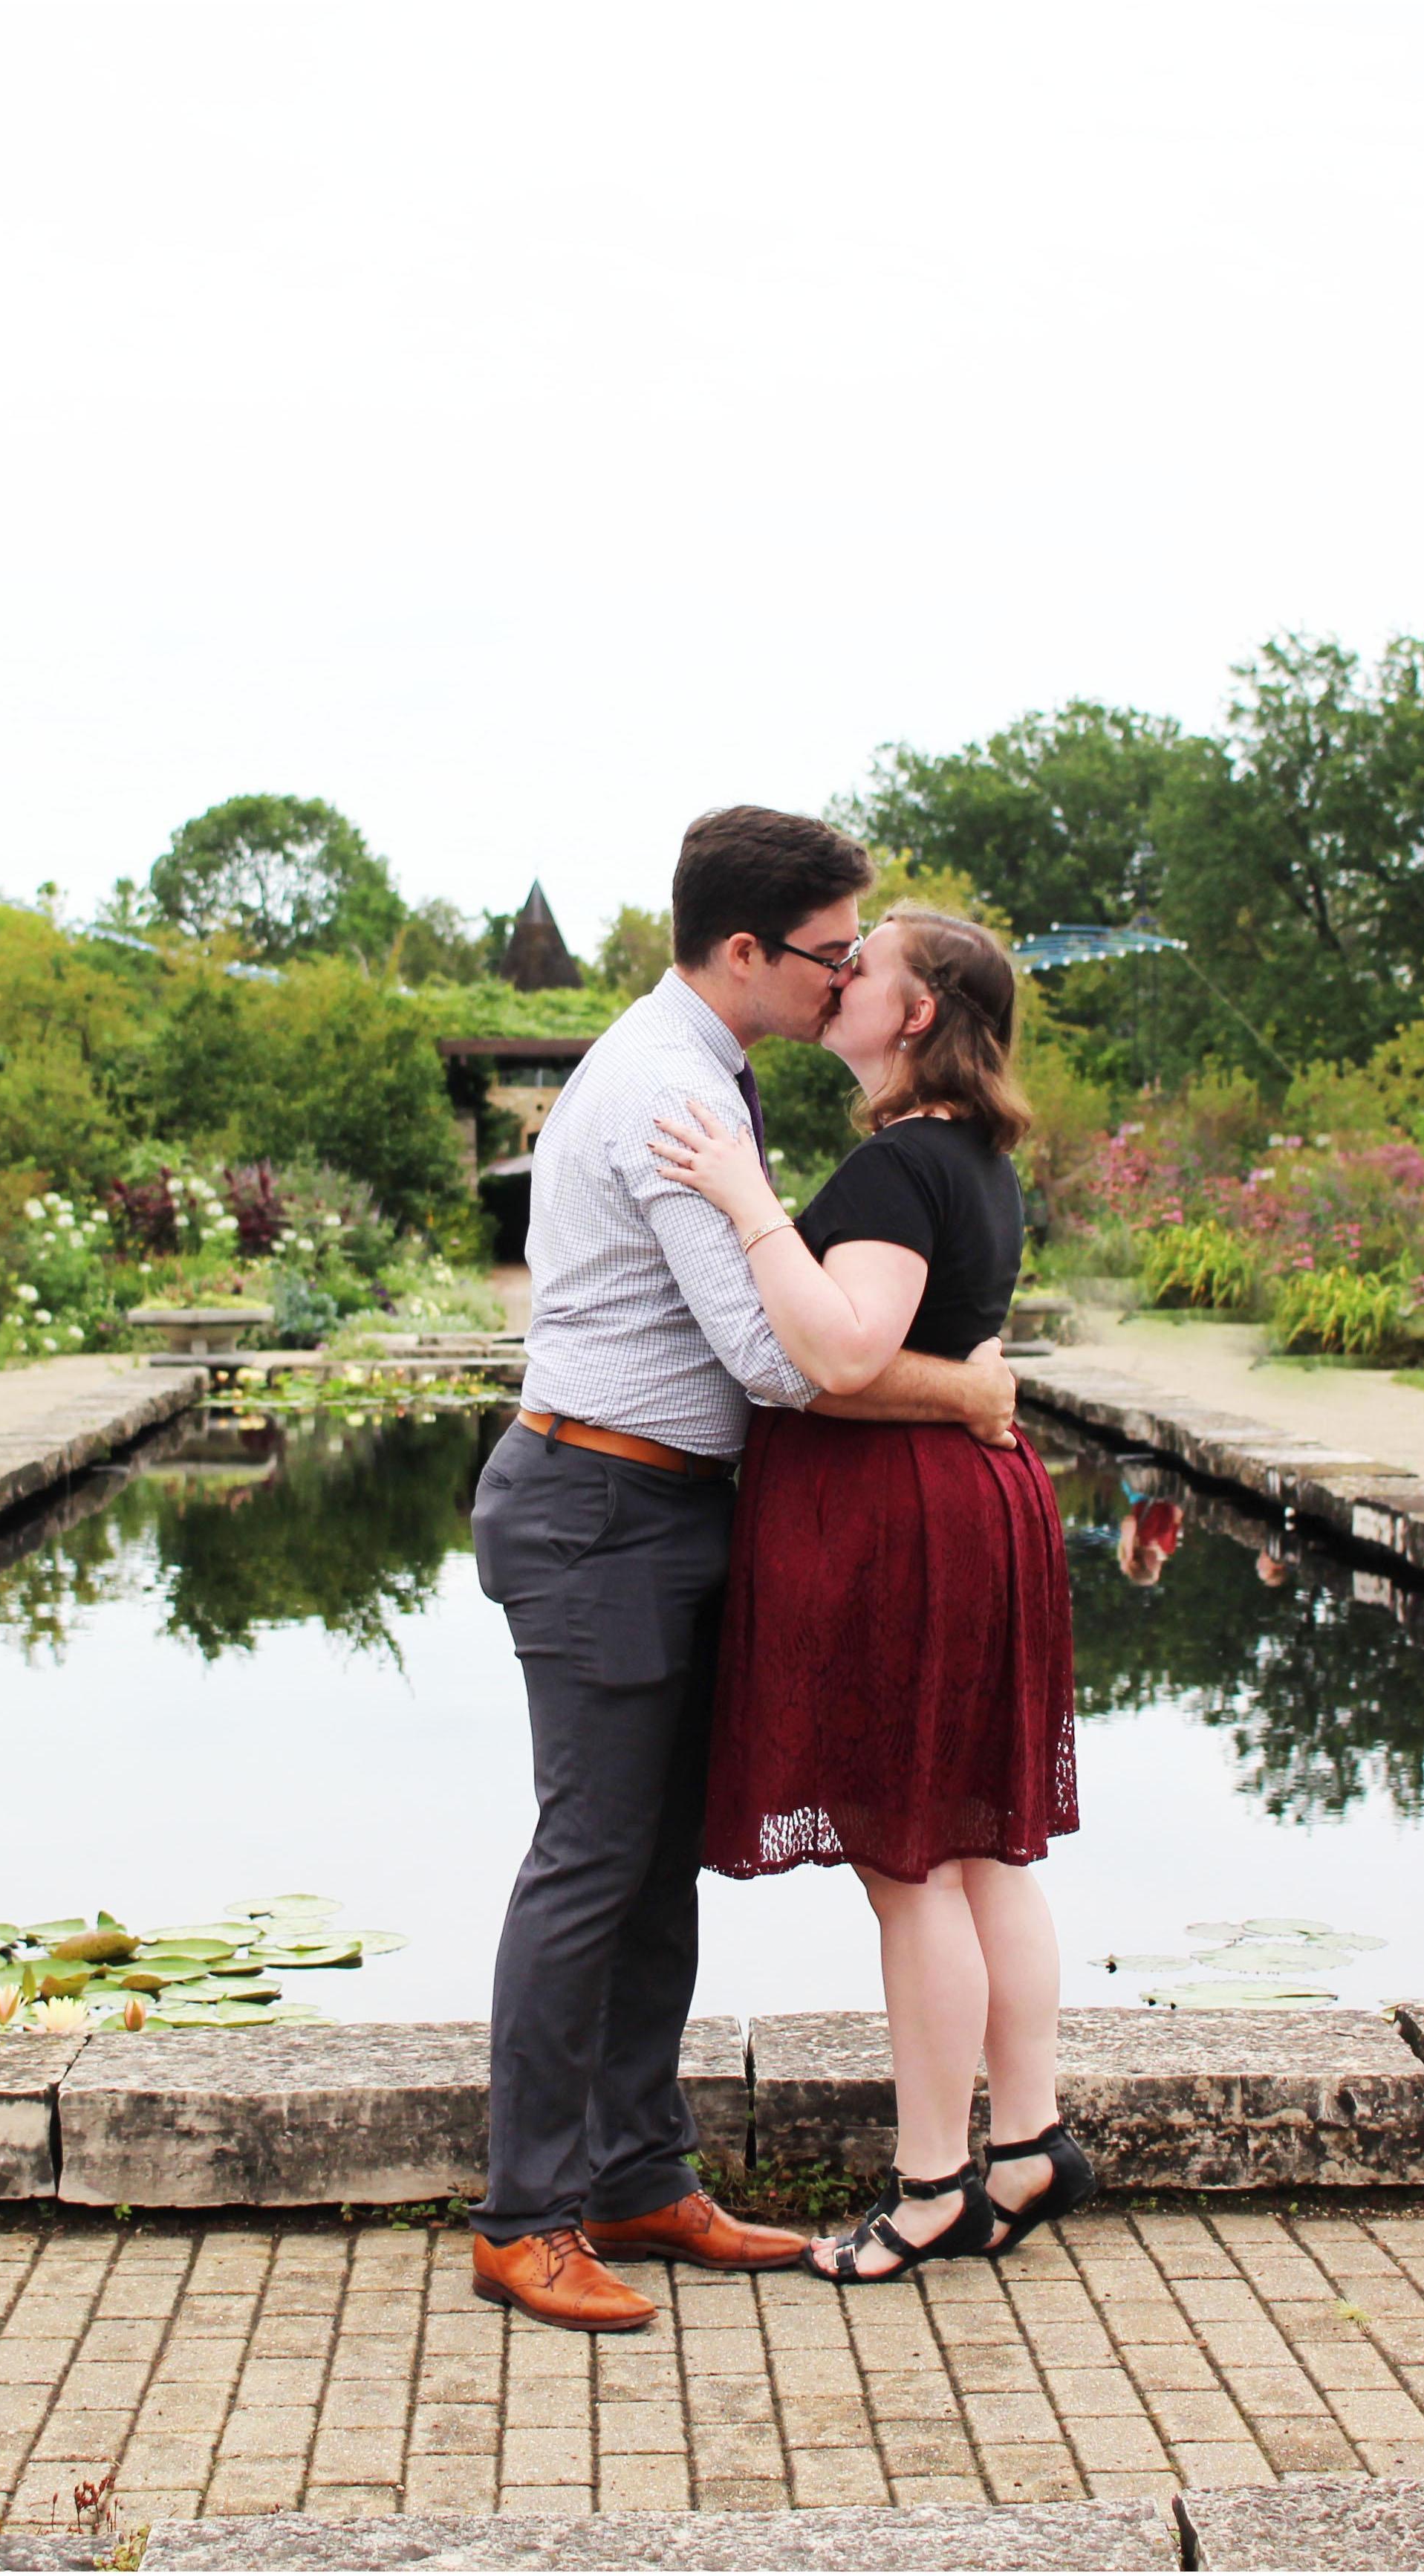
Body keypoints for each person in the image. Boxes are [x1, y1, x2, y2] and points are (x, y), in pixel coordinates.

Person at [466, 811, 1021, 2334]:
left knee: (655, 1863)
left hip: (663, 1510)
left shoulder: (713, 1072)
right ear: (742, 954)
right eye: (831, 952)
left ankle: (640, 2173)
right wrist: (967, 1393)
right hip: (597, 1506)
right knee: (589, 1864)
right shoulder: (663, 1092)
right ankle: (523, 2217)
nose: (845, 974)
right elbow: (784, 1363)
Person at [651, 903, 1092, 2285]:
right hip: (973, 1509)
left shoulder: (902, 1166)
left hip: (911, 1524)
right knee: (979, 1852)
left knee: (912, 1872)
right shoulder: (976, 1158)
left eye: (868, 965)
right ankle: (1027, 2145)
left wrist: (746, 1201)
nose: (840, 978)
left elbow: (843, 1351)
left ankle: (933, 2189)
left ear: (915, 1017)